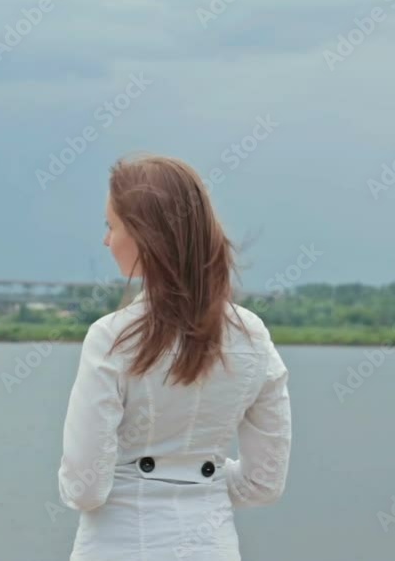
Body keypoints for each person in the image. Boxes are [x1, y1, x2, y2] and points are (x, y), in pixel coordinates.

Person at [57, 154, 292, 561]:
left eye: (111, 226)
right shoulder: (254, 337)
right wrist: (201, 479)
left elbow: (85, 488)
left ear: (145, 235)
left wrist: (140, 480)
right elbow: (263, 483)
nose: (106, 240)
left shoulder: (110, 337)